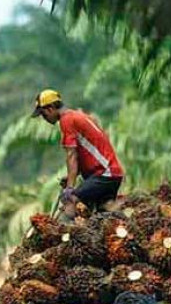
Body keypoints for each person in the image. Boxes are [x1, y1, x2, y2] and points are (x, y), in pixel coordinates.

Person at [32, 89, 124, 219]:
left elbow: (72, 155)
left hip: (104, 174)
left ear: (51, 108)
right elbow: (89, 152)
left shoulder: (67, 120)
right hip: (112, 174)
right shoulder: (78, 116)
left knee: (71, 202)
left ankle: (64, 234)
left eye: (43, 114)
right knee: (105, 215)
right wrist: (72, 176)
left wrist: (69, 188)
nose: (44, 118)